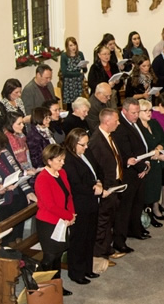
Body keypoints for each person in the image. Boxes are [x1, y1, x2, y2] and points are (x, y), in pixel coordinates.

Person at [63, 128, 104, 285]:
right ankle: (77, 272)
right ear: (73, 143)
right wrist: (94, 189)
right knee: (79, 239)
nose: (86, 147)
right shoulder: (68, 159)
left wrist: (99, 182)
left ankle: (88, 268)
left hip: (92, 201)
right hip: (79, 204)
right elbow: (75, 184)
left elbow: (98, 169)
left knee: (90, 236)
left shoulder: (85, 153)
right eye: (83, 144)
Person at [111, 98, 151, 252]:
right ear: (124, 111)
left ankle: (135, 229)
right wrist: (142, 167)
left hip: (140, 168)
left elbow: (141, 145)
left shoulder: (134, 122)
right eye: (133, 113)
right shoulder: (120, 127)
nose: (136, 116)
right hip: (129, 172)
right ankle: (119, 240)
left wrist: (146, 163)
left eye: (137, 112)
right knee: (125, 208)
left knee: (138, 203)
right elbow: (126, 153)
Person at [35, 144, 75, 296]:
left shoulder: (62, 173)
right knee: (50, 256)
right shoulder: (42, 178)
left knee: (58, 254)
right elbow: (49, 205)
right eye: (59, 160)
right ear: (49, 160)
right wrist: (68, 216)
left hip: (62, 221)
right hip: (48, 222)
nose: (62, 163)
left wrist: (71, 213)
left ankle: (57, 285)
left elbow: (69, 196)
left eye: (63, 159)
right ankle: (40, 285)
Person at [88, 108, 123, 266]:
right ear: (107, 121)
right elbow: (95, 167)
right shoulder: (96, 140)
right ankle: (99, 254)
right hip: (105, 187)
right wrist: (103, 187)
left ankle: (107, 248)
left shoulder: (109, 136)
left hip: (114, 184)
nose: (118, 123)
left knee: (109, 219)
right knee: (102, 221)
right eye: (116, 120)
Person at [0, 130, 35, 244]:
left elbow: (18, 173)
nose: (0, 152)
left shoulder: (5, 153)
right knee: (4, 240)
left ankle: (18, 247)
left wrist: (28, 191)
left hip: (16, 198)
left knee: (18, 236)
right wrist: (0, 190)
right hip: (0, 205)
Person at [136, 99, 164, 227]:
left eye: (150, 110)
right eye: (145, 111)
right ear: (138, 112)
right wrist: (154, 155)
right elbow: (140, 148)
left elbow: (163, 139)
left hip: (157, 162)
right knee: (147, 191)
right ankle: (147, 215)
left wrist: (159, 149)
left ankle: (154, 210)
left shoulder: (154, 123)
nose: (149, 113)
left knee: (156, 188)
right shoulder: (137, 128)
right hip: (147, 163)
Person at [60, 37, 87, 111]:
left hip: (78, 83)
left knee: (79, 103)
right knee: (70, 106)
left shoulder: (80, 54)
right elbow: (64, 73)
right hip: (69, 84)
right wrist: (77, 74)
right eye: (71, 45)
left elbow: (85, 70)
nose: (73, 47)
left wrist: (84, 66)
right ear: (67, 47)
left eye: (74, 44)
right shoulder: (64, 56)